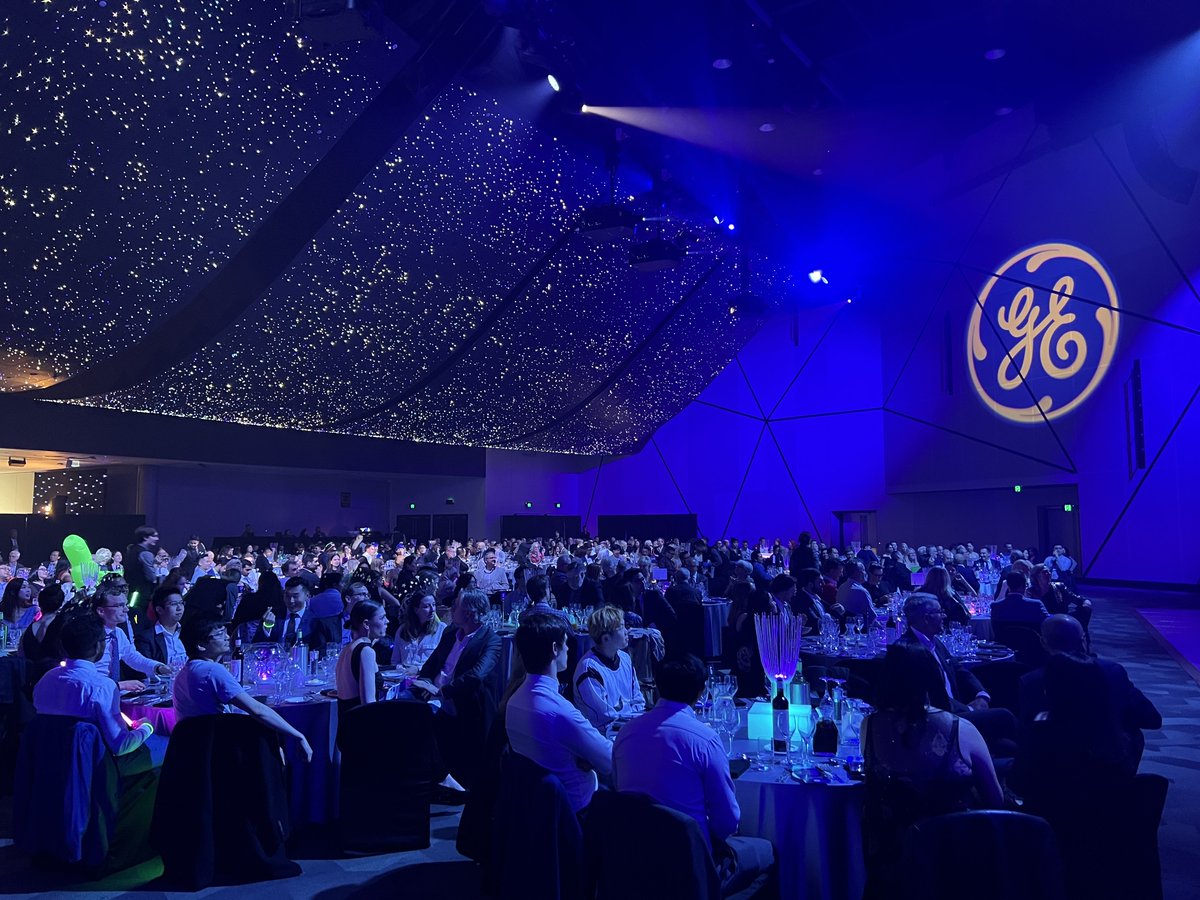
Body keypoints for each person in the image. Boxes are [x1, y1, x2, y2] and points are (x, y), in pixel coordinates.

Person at [613, 653, 775, 895]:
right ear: (702, 692)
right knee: (767, 852)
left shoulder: (625, 734)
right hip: (689, 866)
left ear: (657, 686)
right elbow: (728, 821)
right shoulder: (704, 740)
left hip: (632, 859)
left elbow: (621, 791)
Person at [862, 643, 1002, 899]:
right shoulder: (960, 728)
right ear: (932, 677)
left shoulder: (869, 726)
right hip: (955, 858)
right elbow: (995, 798)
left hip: (892, 857)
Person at [1018, 614, 1160, 771]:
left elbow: (1026, 731)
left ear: (1043, 643)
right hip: (1112, 774)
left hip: (1053, 775)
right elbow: (1151, 718)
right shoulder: (1113, 672)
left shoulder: (1031, 681)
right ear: (1083, 640)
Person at [506, 613, 613, 814]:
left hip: (535, 807)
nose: (569, 648)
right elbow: (608, 761)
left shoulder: (514, 700)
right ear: (555, 649)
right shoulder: (559, 710)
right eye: (565, 643)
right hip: (575, 810)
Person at [173, 616, 313, 761]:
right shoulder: (211, 671)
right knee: (270, 740)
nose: (227, 637)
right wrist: (297, 735)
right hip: (218, 750)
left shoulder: (186, 671)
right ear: (201, 645)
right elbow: (258, 711)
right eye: (220, 634)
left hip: (193, 750)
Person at [32, 613, 157, 770]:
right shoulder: (102, 686)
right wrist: (147, 726)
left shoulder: (46, 679)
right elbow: (120, 745)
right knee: (164, 744)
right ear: (99, 646)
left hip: (47, 762)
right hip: (92, 764)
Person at [898, 594, 1018, 755]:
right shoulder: (910, 651)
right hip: (941, 719)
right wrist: (970, 708)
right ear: (926, 618)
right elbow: (934, 697)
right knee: (1005, 716)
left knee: (1006, 746)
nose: (944, 616)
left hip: (956, 712)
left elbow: (959, 670)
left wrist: (981, 694)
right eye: (940, 612)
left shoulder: (934, 641)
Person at [573, 606, 646, 731]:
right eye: (621, 627)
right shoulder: (589, 669)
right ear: (606, 638)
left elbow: (638, 700)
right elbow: (604, 719)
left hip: (630, 727)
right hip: (605, 736)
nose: (626, 631)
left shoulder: (625, 658)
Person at [93, 581, 172, 689]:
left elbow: (131, 656)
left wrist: (157, 667)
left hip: (111, 692)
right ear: (101, 611)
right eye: (119, 606)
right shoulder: (90, 636)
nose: (126, 609)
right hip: (93, 693)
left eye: (125, 604)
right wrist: (121, 685)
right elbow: (84, 676)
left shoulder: (118, 633)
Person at [252, 576, 339, 651]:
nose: (291, 601)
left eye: (295, 596)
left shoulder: (316, 620)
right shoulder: (274, 615)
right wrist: (267, 627)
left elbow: (319, 650)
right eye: (287, 596)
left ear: (307, 596)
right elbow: (256, 646)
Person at [335, 598, 388, 713]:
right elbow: (368, 703)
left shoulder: (347, 648)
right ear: (366, 624)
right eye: (382, 618)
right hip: (360, 726)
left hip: (345, 723)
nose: (387, 621)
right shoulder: (366, 651)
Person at [391, 592, 446, 670]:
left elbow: (442, 663)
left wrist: (418, 669)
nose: (432, 610)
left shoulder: (442, 629)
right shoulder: (402, 630)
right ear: (416, 610)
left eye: (434, 605)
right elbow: (395, 661)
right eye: (426, 606)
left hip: (426, 678)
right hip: (404, 676)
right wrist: (401, 669)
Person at [134, 586, 187, 666]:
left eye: (181, 603)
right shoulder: (146, 638)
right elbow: (145, 670)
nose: (179, 608)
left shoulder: (189, 633)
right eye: (174, 604)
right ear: (159, 610)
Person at [835, 560, 878, 625]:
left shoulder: (841, 587)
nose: (866, 573)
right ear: (857, 573)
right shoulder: (861, 591)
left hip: (845, 626)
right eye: (863, 570)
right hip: (861, 629)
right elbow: (872, 618)